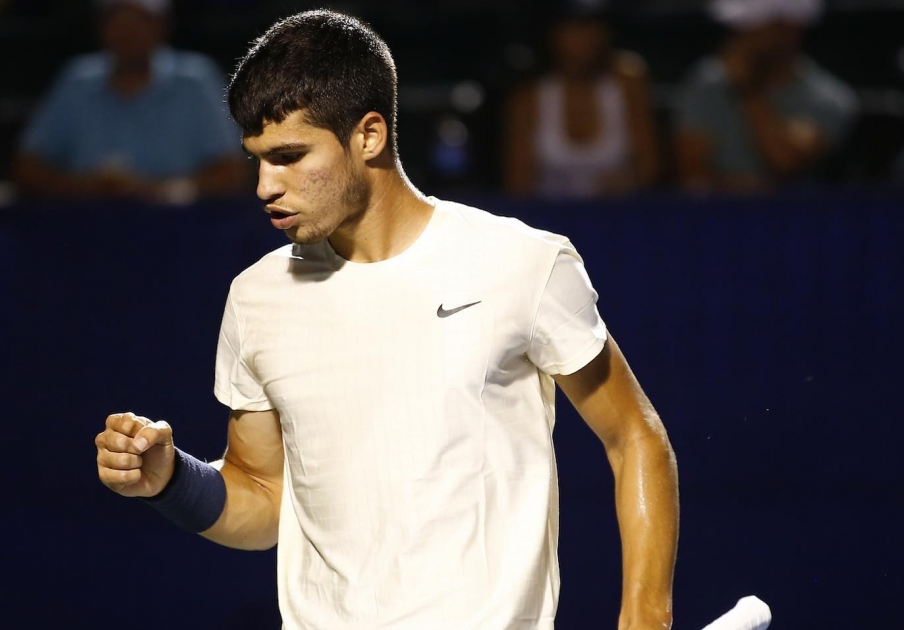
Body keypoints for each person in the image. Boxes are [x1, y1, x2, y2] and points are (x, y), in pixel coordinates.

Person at [94, 10, 679, 629]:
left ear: (368, 136)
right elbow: (265, 499)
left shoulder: (522, 263)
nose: (266, 184)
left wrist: (646, 615)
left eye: (290, 155)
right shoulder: (255, 297)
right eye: (257, 159)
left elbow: (635, 437)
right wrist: (170, 481)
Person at [13, 0, 248, 204]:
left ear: (162, 25)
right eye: (118, 21)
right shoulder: (76, 80)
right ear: (101, 26)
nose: (128, 32)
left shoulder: (195, 79)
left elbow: (232, 172)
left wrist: (158, 191)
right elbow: (27, 168)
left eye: (140, 21)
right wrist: (85, 189)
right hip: (87, 230)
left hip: (178, 231)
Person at [674, 0, 858, 193]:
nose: (739, 37)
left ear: (790, 29)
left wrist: (748, 89)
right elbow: (693, 174)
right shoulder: (706, 84)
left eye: (752, 26)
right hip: (717, 218)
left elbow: (785, 161)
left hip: (796, 219)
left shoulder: (830, 99)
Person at [505, 2, 661, 198]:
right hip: (547, 220)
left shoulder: (629, 84)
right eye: (575, 28)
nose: (587, 38)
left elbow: (649, 166)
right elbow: (517, 182)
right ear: (554, 34)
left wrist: (627, 182)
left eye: (594, 27)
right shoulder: (528, 96)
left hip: (618, 217)